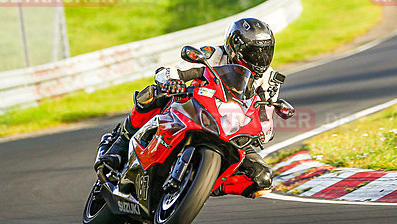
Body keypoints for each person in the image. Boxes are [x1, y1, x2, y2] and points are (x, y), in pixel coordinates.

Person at [94, 18, 293, 198]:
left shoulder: (270, 79)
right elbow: (173, 70)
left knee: (262, 178)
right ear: (235, 47)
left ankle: (207, 183)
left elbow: (265, 115)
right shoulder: (213, 55)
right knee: (154, 94)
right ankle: (122, 140)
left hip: (233, 128)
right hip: (195, 107)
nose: (259, 59)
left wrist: (262, 134)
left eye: (265, 52)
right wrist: (172, 81)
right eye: (253, 53)